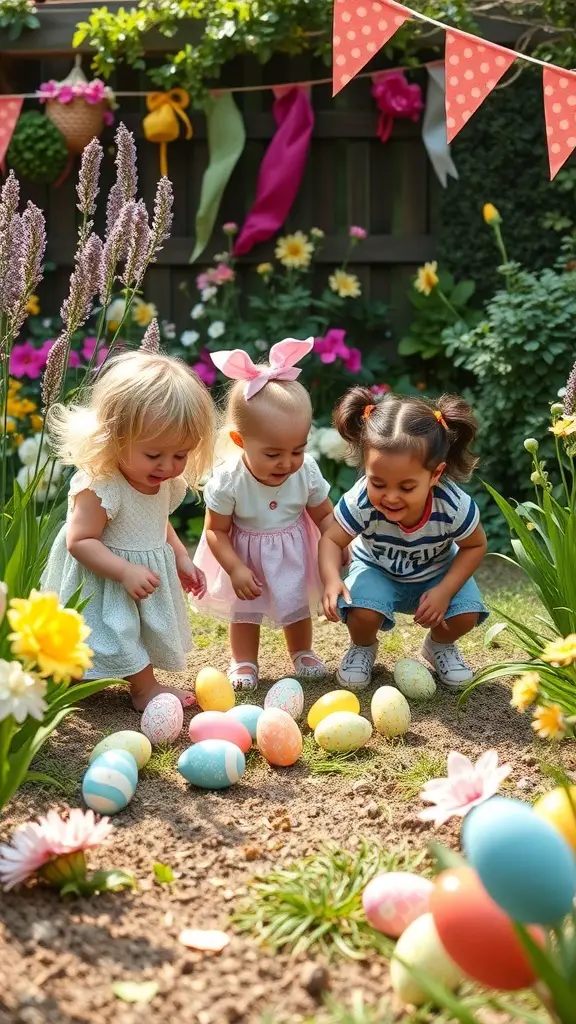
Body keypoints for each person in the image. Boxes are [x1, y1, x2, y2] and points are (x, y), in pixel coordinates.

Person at [42, 351, 215, 710]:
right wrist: (124, 570)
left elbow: (157, 522)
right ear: (115, 436)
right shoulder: (102, 484)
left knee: (132, 631)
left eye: (180, 455)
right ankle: (143, 688)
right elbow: (80, 540)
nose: (168, 466)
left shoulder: (165, 481)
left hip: (138, 573)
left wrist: (182, 557)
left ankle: (85, 677)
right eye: (154, 455)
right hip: (102, 577)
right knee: (116, 630)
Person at [319, 388, 488, 690]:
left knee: (466, 613)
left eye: (407, 487)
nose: (391, 497)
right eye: (378, 482)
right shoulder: (361, 500)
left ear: (435, 474)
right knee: (361, 611)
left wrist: (446, 591)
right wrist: (332, 579)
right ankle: (362, 647)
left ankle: (439, 646)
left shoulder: (452, 505)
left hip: (436, 573)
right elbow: (332, 539)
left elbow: (475, 545)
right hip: (377, 569)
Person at [191, 338, 333, 691]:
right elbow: (215, 531)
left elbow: (325, 515)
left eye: (297, 449)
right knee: (245, 610)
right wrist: (235, 568)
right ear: (240, 441)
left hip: (293, 549)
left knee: (297, 602)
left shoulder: (306, 471)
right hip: (246, 553)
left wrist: (339, 542)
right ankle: (244, 660)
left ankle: (302, 651)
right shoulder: (228, 480)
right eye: (273, 454)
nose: (287, 463)